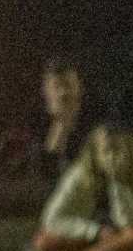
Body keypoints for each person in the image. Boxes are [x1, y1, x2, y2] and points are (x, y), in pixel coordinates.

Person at [32, 116, 133, 251]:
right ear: (94, 153)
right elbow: (51, 219)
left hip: (124, 238)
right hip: (90, 238)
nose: (112, 158)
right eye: (107, 151)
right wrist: (95, 231)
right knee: (43, 241)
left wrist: (118, 184)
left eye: (119, 150)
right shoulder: (79, 174)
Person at [34, 54, 94, 188]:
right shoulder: (34, 130)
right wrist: (60, 125)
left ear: (80, 88)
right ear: (45, 92)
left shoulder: (97, 130)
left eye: (68, 85)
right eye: (56, 86)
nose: (62, 93)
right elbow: (41, 175)